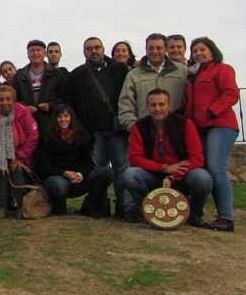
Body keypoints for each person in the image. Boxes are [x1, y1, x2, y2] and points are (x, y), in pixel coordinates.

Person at [120, 89, 212, 225]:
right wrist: (164, 168)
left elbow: (197, 159)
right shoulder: (139, 127)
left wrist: (172, 176)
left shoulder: (185, 124)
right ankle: (148, 210)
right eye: (153, 105)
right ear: (147, 107)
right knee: (129, 175)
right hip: (153, 174)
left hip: (181, 175)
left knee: (202, 178)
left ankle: (194, 214)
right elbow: (135, 159)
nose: (157, 109)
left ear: (169, 105)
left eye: (161, 104)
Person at [66, 37, 131, 216]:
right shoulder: (77, 75)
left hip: (117, 129)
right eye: (89, 48)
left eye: (97, 47)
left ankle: (125, 206)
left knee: (121, 169)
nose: (94, 51)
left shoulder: (119, 69)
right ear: (84, 52)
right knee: (99, 171)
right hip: (93, 133)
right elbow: (72, 103)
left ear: (103, 49)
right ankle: (100, 206)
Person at [185, 37, 240, 232]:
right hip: (200, 127)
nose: (199, 53)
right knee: (205, 169)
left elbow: (231, 94)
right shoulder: (193, 75)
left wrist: (212, 111)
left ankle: (226, 217)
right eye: (195, 51)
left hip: (220, 125)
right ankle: (201, 213)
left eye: (202, 49)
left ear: (212, 51)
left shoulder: (223, 69)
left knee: (217, 169)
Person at [37, 105, 112, 217]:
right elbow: (44, 167)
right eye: (60, 117)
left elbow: (88, 163)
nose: (63, 119)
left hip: (78, 178)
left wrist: (81, 174)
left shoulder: (82, 135)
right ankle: (59, 208)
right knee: (59, 185)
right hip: (59, 178)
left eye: (66, 116)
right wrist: (65, 173)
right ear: (55, 119)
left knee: (106, 172)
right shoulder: (47, 137)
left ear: (71, 118)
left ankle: (89, 204)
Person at [0, 85, 40, 218]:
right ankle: (3, 207)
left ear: (13, 100)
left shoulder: (23, 112)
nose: (5, 102)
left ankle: (21, 206)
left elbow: (32, 135)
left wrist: (19, 157)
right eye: (1, 99)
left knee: (17, 173)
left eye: (8, 99)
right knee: (1, 174)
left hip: (21, 155)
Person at [118, 33, 188, 131]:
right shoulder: (133, 75)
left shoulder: (182, 71)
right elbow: (125, 104)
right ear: (146, 49)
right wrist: (134, 128)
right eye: (151, 48)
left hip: (176, 130)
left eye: (159, 48)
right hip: (145, 131)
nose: (155, 51)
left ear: (166, 49)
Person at [13, 40, 66, 136]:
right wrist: (24, 108)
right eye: (32, 51)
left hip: (51, 121)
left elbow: (64, 97)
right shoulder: (20, 75)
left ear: (44, 53)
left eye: (38, 50)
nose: (35, 53)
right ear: (28, 54)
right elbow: (14, 99)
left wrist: (50, 105)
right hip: (27, 121)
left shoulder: (56, 74)